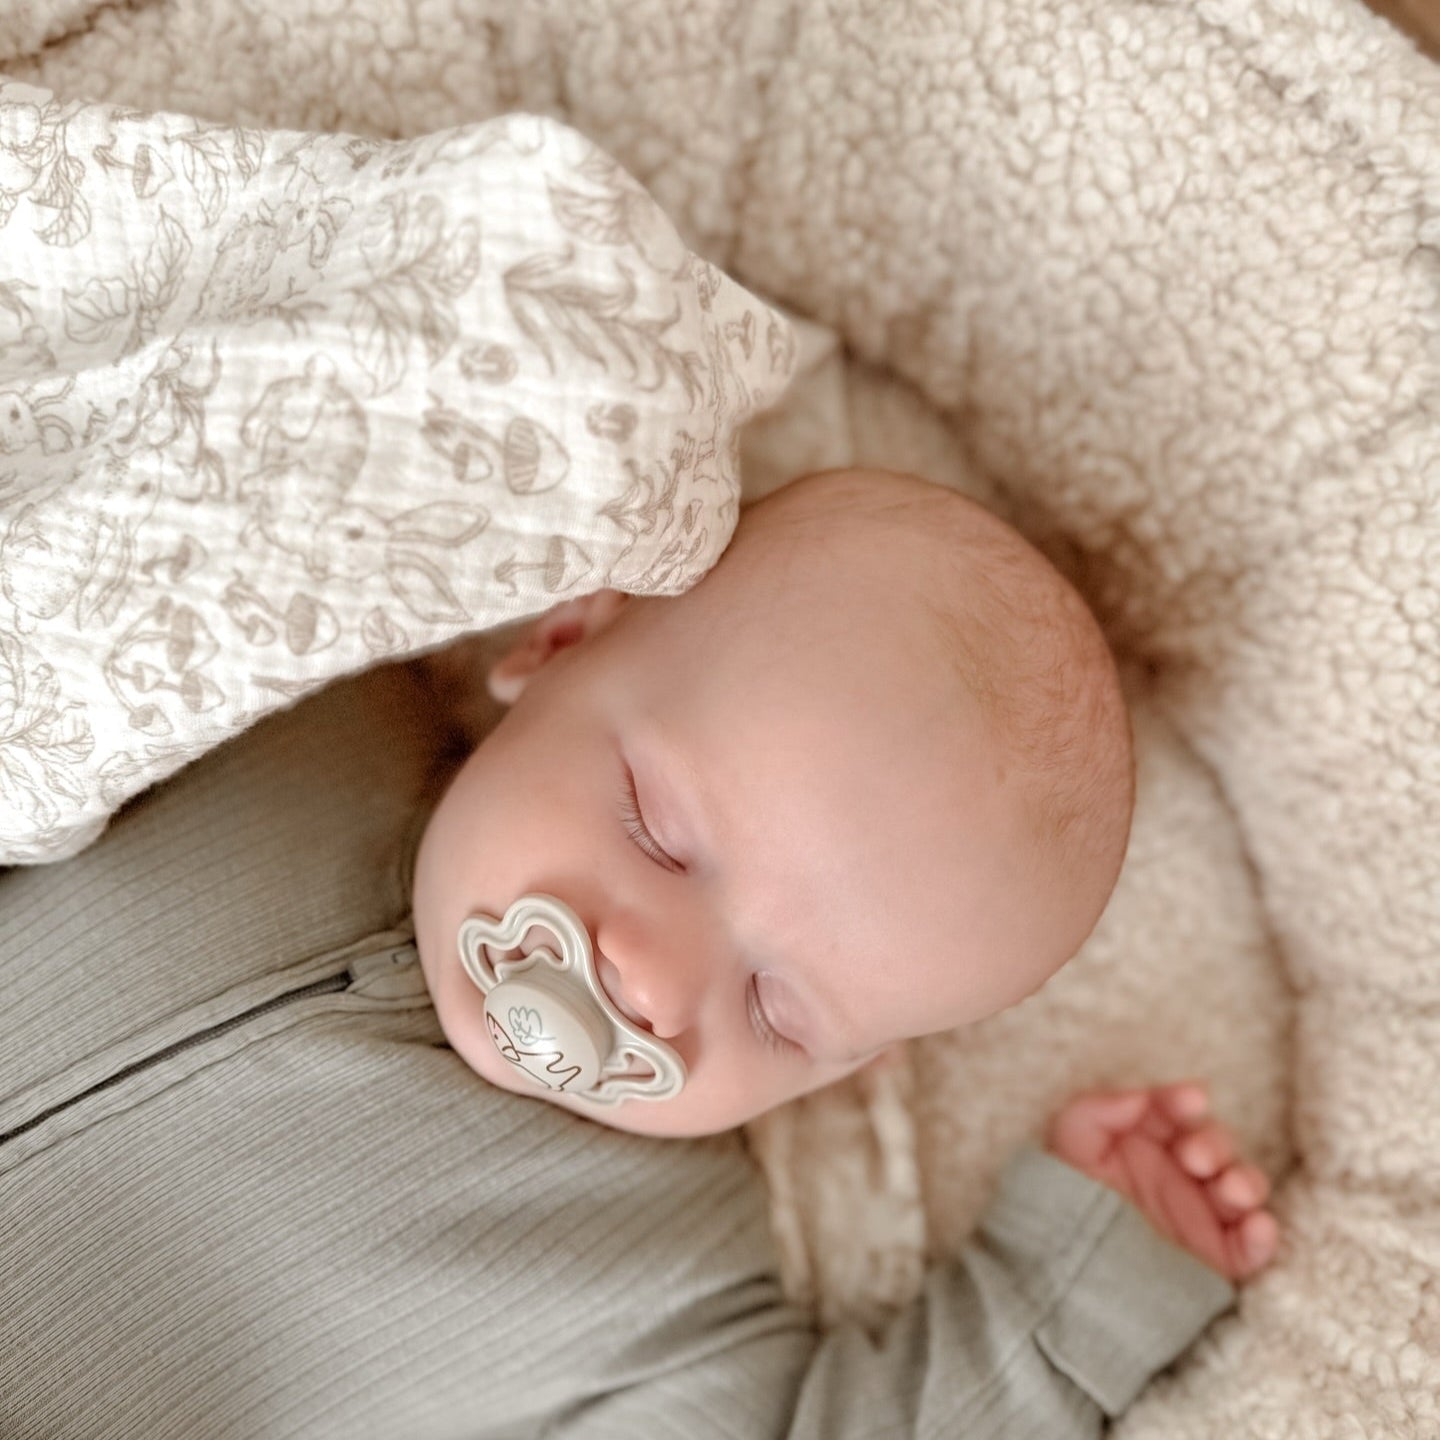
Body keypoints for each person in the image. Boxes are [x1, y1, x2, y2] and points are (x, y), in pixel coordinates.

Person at [0, 467, 1276, 1438]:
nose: (654, 984)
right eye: (659, 836)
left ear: (852, 1068)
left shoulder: (658, 1296)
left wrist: (1060, 1312)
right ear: (560, 643)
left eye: (779, 1009)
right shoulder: (292, 696)